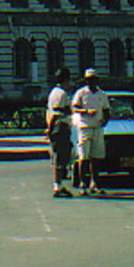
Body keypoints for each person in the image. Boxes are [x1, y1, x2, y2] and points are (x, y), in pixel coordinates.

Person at [70, 69, 110, 195]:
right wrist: (86, 111)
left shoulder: (101, 94)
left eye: (92, 79)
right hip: (85, 126)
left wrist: (105, 120)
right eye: (88, 79)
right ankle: (83, 184)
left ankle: (95, 183)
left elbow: (106, 109)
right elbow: (74, 107)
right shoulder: (81, 93)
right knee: (83, 156)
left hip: (97, 127)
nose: (90, 81)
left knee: (96, 157)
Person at [44, 68, 75, 197]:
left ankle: (59, 184)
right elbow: (56, 114)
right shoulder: (60, 94)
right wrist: (50, 129)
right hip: (60, 127)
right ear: (65, 80)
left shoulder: (55, 92)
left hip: (59, 127)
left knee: (62, 157)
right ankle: (57, 186)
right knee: (60, 157)